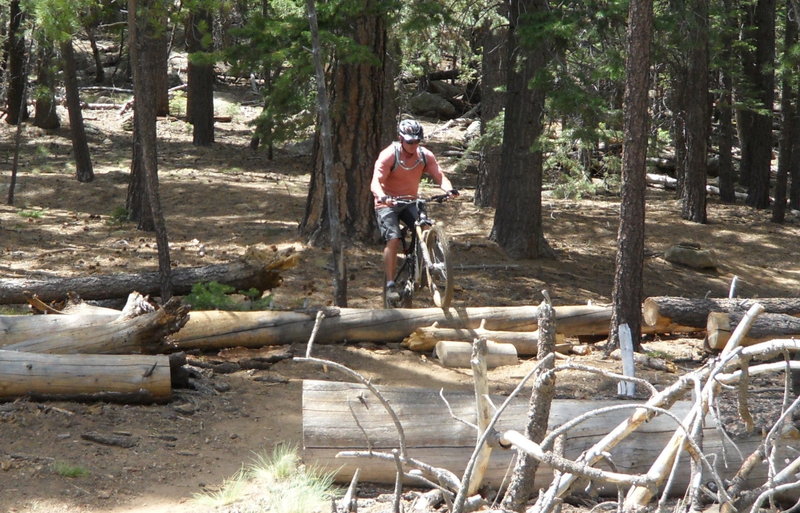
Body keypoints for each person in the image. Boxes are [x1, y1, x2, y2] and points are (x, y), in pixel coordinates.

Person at [370, 119, 458, 306]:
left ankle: (425, 265)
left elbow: (439, 175)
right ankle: (391, 283)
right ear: (400, 139)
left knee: (426, 227)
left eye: (417, 141)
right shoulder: (388, 155)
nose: (414, 145)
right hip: (388, 203)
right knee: (393, 239)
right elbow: (375, 182)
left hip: (411, 200)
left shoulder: (425, 155)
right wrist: (383, 196)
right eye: (410, 141)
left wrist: (449, 189)